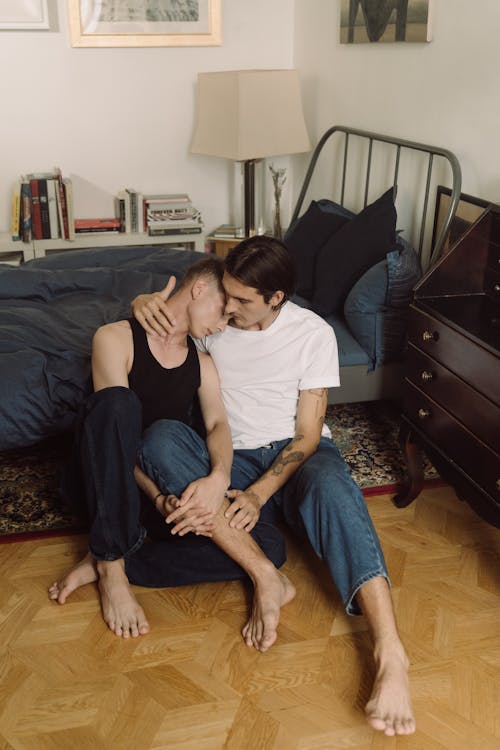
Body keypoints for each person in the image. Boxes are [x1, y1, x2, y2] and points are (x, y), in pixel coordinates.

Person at [131, 236, 415, 737]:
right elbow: (171, 320)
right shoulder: (216, 320)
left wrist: (259, 495)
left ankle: (390, 651)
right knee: (159, 439)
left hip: (296, 456)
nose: (229, 307)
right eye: (227, 294)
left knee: (334, 487)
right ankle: (266, 576)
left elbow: (307, 435)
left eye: (243, 300)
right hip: (229, 457)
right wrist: (142, 303)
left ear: (276, 297)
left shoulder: (313, 334)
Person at [49, 257, 292, 646]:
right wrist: (156, 495)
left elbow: (217, 425)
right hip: (108, 484)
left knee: (272, 545)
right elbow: (109, 443)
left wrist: (218, 478)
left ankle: (115, 557)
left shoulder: (203, 362)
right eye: (223, 310)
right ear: (198, 289)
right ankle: (111, 568)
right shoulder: (114, 338)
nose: (225, 323)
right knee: (119, 406)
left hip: (158, 502)